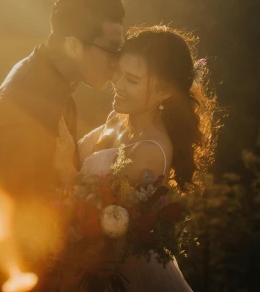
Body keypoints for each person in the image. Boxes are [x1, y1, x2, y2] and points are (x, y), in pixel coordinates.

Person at [0, 0, 125, 291]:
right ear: (74, 46)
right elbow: (3, 215)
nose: (117, 61)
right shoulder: (23, 106)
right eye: (112, 49)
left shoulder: (53, 81)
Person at [57, 25, 218, 291]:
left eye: (132, 80)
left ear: (165, 92)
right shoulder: (118, 118)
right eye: (118, 72)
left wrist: (63, 167)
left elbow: (96, 228)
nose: (117, 85)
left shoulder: (150, 151)